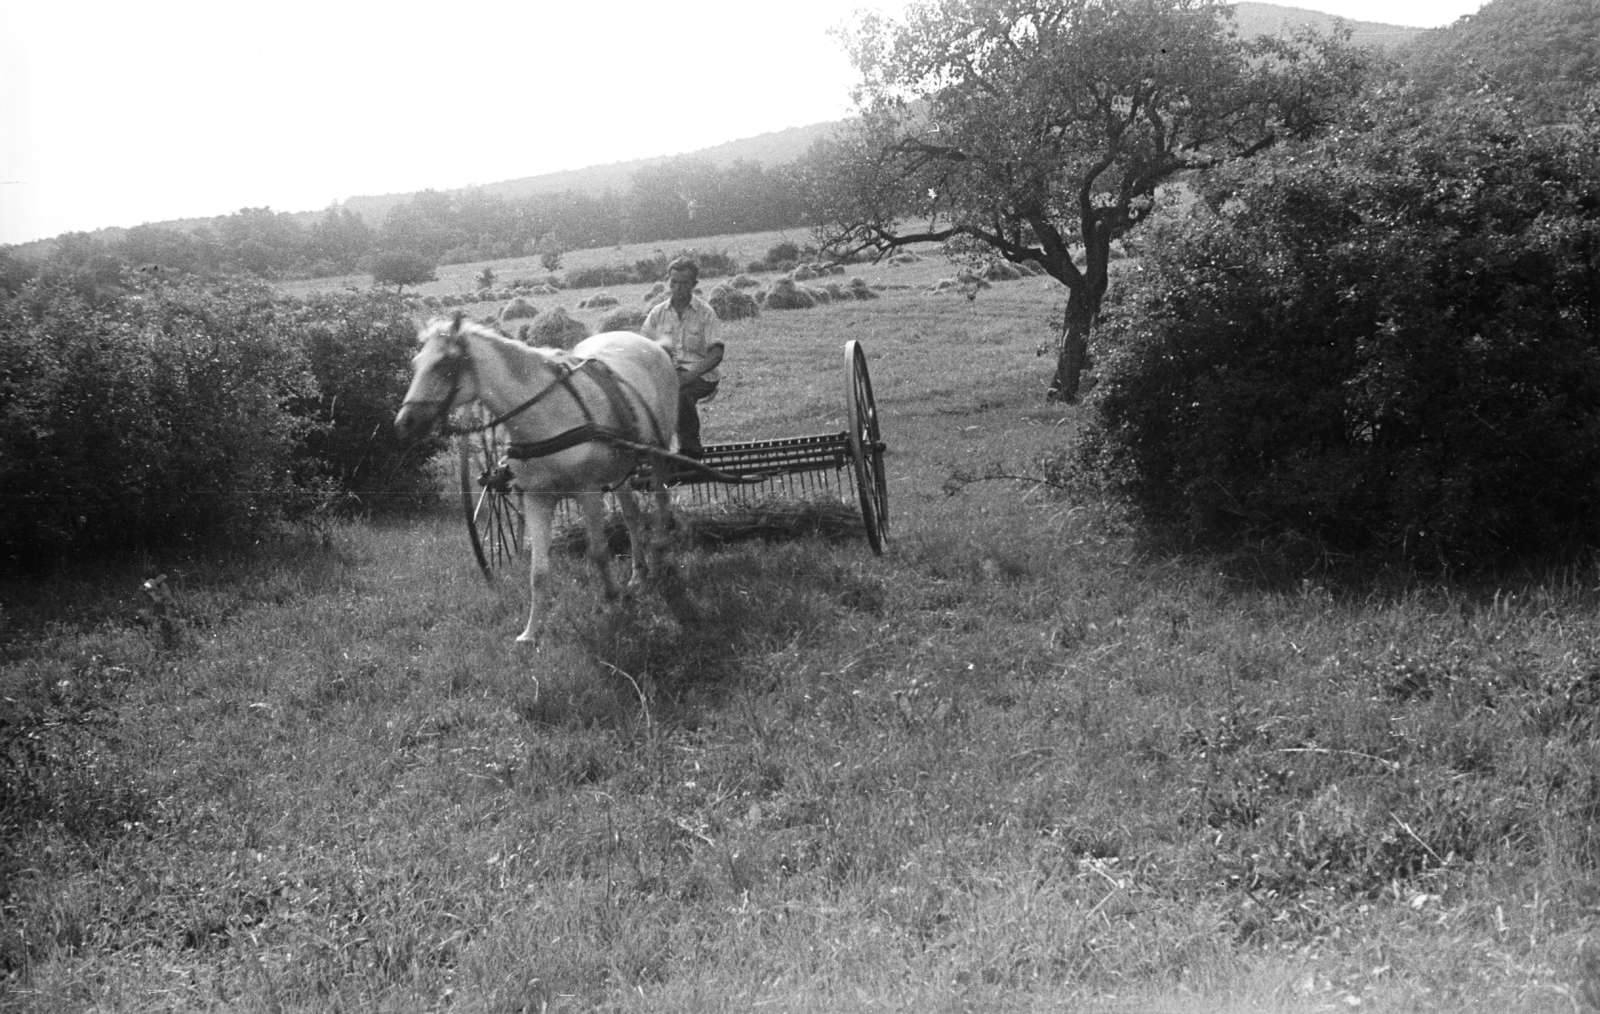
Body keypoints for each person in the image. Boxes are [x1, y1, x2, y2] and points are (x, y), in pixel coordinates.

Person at [641, 256, 724, 458]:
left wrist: (690, 376)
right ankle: (654, 450)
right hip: (668, 374)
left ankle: (691, 452)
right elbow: (645, 347)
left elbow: (716, 354)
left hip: (702, 377)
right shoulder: (657, 313)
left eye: (683, 283)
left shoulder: (705, 313)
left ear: (694, 284)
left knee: (681, 395)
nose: (677, 288)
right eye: (673, 282)